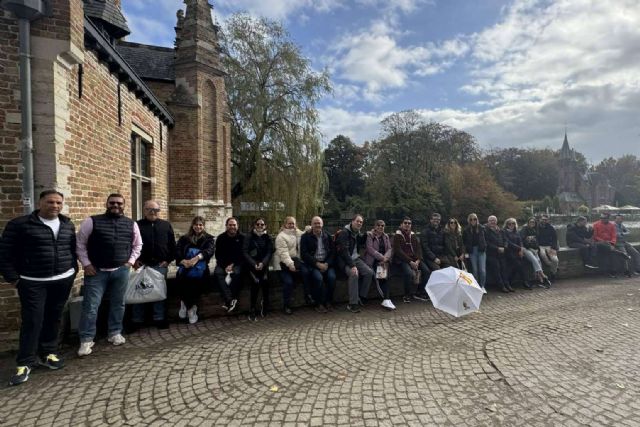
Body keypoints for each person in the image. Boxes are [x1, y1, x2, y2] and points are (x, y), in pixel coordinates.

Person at [0, 190, 78, 386]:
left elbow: (71, 248)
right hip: (32, 281)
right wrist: (14, 279)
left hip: (62, 278)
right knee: (32, 320)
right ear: (40, 202)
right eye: (50, 202)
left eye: (59, 203)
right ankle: (25, 362)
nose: (55, 206)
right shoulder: (20, 225)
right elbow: (4, 254)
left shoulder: (67, 224)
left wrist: (73, 270)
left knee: (54, 317)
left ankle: (48, 353)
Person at [76, 193, 142, 356]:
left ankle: (114, 333)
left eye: (119, 203)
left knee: (118, 303)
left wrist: (130, 261)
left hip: (121, 270)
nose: (116, 205)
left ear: (124, 205)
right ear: (107, 204)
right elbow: (80, 244)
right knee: (91, 306)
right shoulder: (91, 221)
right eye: (112, 203)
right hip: (96, 271)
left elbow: (137, 244)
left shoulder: (131, 224)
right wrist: (86, 264)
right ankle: (86, 339)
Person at [131, 200, 176, 330]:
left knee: (159, 292)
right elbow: (131, 244)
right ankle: (137, 320)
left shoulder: (166, 225)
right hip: (141, 265)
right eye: (149, 209)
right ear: (144, 210)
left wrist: (168, 260)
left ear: (159, 211)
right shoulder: (137, 225)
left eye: (155, 210)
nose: (152, 212)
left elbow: (172, 246)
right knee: (138, 291)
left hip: (159, 265)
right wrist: (134, 261)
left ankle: (159, 318)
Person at [175, 216, 215, 323]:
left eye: (200, 225)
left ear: (204, 226)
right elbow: (177, 251)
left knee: (195, 283)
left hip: (200, 269)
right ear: (192, 226)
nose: (198, 227)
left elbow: (209, 251)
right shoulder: (184, 238)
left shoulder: (209, 238)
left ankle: (189, 307)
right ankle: (189, 307)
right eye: (196, 224)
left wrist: (196, 258)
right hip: (185, 267)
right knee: (181, 280)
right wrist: (184, 261)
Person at [335, 214, 374, 313]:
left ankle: (361, 296)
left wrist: (366, 234)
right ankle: (353, 304)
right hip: (345, 261)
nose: (359, 223)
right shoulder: (344, 233)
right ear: (352, 221)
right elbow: (343, 251)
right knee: (354, 274)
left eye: (361, 222)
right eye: (358, 221)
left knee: (369, 272)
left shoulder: (356, 232)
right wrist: (352, 266)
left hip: (356, 259)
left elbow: (360, 241)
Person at [300, 216, 336, 313]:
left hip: (327, 263)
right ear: (311, 225)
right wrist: (317, 264)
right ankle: (318, 304)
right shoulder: (305, 237)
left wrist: (327, 264)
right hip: (314, 264)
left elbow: (333, 252)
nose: (317, 225)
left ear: (322, 224)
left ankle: (328, 302)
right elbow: (304, 254)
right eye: (315, 223)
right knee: (318, 278)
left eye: (319, 223)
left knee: (332, 278)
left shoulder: (327, 236)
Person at [392, 217, 430, 303]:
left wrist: (418, 260)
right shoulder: (397, 236)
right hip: (403, 260)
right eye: (405, 223)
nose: (407, 225)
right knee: (408, 273)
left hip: (415, 259)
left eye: (409, 223)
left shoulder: (413, 235)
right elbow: (398, 251)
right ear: (401, 224)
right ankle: (407, 294)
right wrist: (410, 261)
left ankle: (420, 292)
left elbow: (419, 249)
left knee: (426, 271)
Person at [242, 218, 274, 321]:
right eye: (258, 224)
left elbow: (270, 252)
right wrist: (254, 263)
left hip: (263, 266)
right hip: (252, 266)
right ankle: (252, 308)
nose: (260, 226)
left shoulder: (268, 237)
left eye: (262, 224)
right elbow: (245, 252)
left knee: (265, 282)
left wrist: (263, 263)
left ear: (265, 226)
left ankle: (265, 304)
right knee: (255, 284)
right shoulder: (249, 237)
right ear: (254, 225)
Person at [273, 216, 306, 315]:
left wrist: (308, 229)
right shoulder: (281, 236)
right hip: (282, 265)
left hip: (295, 263)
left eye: (293, 223)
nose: (291, 225)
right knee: (288, 282)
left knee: (307, 273)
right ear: (285, 224)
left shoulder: (297, 233)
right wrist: (290, 264)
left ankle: (308, 296)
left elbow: (304, 233)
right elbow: (283, 253)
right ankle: (286, 305)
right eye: (289, 223)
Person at [214, 217, 244, 314]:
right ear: (226, 226)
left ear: (237, 226)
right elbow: (218, 255)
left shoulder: (242, 238)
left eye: (234, 225)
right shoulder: (221, 238)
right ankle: (231, 299)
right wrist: (225, 266)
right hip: (223, 264)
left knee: (237, 273)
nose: (232, 227)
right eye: (230, 225)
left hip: (237, 263)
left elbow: (242, 255)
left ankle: (228, 301)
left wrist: (233, 264)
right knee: (218, 273)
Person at [364, 219, 395, 310]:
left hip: (383, 262)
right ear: (375, 226)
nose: (381, 227)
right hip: (374, 262)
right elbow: (370, 249)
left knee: (387, 276)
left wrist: (385, 259)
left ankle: (387, 299)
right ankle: (386, 299)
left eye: (382, 225)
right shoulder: (370, 235)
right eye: (378, 225)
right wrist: (382, 258)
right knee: (382, 278)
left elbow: (390, 249)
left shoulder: (385, 236)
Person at [592, 213, 628, 278]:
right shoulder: (595, 224)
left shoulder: (612, 225)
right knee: (608, 251)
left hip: (609, 243)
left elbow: (613, 236)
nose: (602, 219)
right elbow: (595, 236)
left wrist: (612, 243)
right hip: (599, 242)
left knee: (610, 254)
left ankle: (612, 271)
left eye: (604, 218)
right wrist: (604, 241)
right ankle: (620, 253)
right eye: (601, 218)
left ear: (608, 218)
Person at [519, 217, 552, 288]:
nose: (532, 223)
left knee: (538, 260)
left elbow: (537, 242)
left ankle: (540, 279)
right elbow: (522, 240)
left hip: (533, 249)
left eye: (533, 222)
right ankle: (542, 274)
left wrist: (536, 249)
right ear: (528, 222)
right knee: (534, 259)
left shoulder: (535, 230)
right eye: (530, 222)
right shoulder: (524, 229)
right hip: (525, 249)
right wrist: (529, 248)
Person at [485, 215, 511, 293]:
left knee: (504, 269)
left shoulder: (501, 230)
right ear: (488, 222)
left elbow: (506, 240)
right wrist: (497, 248)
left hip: (502, 253)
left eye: (494, 220)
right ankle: (501, 286)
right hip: (492, 254)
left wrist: (504, 247)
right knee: (497, 268)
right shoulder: (486, 231)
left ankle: (507, 284)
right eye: (491, 220)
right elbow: (487, 243)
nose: (493, 222)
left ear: (496, 221)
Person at [502, 218, 529, 290]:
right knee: (517, 264)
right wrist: (519, 248)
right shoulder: (504, 232)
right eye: (509, 224)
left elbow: (520, 241)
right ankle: (524, 281)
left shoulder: (516, 232)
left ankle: (512, 281)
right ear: (507, 225)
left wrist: (521, 249)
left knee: (523, 261)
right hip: (509, 252)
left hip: (517, 252)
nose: (511, 225)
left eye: (513, 223)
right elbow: (508, 243)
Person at [463, 213, 487, 289]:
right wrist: (466, 252)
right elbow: (464, 242)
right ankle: (476, 286)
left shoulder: (482, 228)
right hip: (472, 251)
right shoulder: (466, 230)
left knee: (482, 270)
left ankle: (482, 285)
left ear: (477, 220)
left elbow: (486, 239)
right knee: (475, 270)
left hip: (481, 251)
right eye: (471, 219)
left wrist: (485, 246)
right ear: (469, 220)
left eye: (475, 219)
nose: (473, 221)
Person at [537, 214, 559, 279]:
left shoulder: (551, 228)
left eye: (546, 220)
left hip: (549, 246)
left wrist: (553, 248)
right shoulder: (537, 227)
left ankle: (553, 273)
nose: (544, 221)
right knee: (543, 255)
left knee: (555, 260)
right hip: (540, 246)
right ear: (540, 219)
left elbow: (555, 238)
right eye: (543, 219)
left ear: (548, 220)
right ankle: (553, 267)